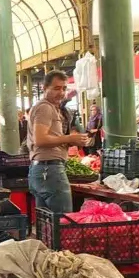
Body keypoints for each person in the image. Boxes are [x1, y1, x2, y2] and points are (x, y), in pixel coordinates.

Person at [27, 71, 89, 213]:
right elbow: (40, 139)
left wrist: (70, 141)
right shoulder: (45, 107)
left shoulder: (48, 108)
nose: (61, 93)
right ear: (44, 88)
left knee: (46, 220)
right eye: (56, 88)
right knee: (62, 219)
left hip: (41, 169)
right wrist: (68, 138)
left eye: (64, 88)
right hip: (50, 170)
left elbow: (46, 138)